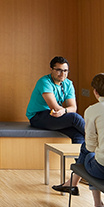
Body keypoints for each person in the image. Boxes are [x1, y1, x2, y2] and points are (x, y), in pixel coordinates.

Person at [29, 56, 86, 195]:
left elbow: (73, 107)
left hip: (58, 116)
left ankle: (82, 171)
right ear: (51, 70)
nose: (62, 74)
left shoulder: (68, 83)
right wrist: (65, 111)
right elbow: (53, 108)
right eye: (59, 70)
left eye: (65, 71)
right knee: (74, 119)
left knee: (78, 134)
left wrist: (64, 111)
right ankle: (99, 137)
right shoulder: (44, 81)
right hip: (39, 116)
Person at [81, 74, 104, 207]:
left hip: (102, 169)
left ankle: (98, 204)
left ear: (95, 92)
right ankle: (72, 183)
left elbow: (90, 146)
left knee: (86, 151)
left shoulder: (92, 110)